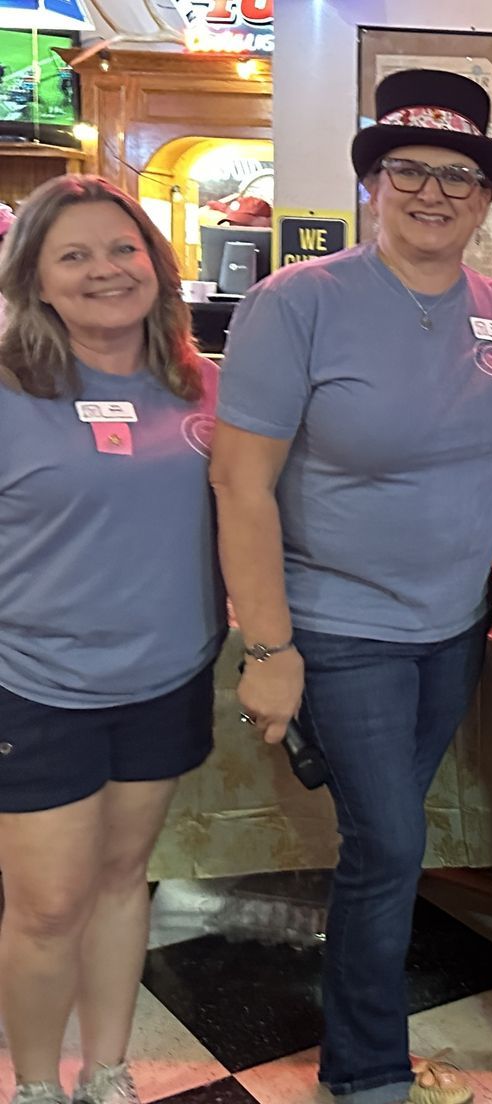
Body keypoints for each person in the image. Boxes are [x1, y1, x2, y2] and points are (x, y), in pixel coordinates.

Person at [208, 70, 492, 1104]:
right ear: (372, 183)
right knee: (389, 846)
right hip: (339, 627)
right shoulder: (296, 303)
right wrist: (268, 647)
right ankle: (366, 1072)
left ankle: (365, 1053)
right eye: (408, 171)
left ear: (485, 198)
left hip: (451, 628)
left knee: (389, 839)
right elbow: (240, 482)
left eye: (458, 176)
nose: (433, 193)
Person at [0, 175, 221, 1104]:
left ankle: (108, 1066)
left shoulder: (202, 382)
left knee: (126, 880)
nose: (105, 270)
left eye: (123, 248)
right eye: (75, 255)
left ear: (157, 266)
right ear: (37, 280)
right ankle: (39, 1083)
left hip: (165, 677)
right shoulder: (10, 389)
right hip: (37, 685)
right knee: (47, 905)